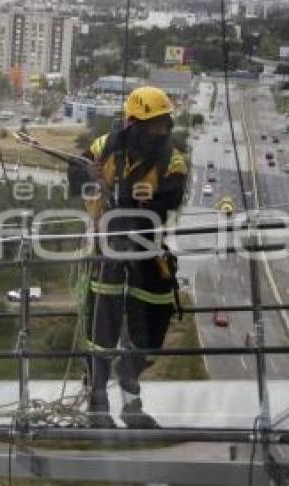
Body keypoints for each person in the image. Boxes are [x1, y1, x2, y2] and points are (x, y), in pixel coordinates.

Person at [68, 86, 188, 428]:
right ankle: (98, 395)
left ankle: (130, 372)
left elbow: (169, 201)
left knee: (152, 323)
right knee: (100, 326)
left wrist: (131, 200)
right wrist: (85, 174)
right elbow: (75, 176)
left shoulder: (172, 161)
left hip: (147, 249)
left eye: (165, 124)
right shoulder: (105, 147)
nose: (161, 131)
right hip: (106, 247)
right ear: (133, 123)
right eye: (154, 125)